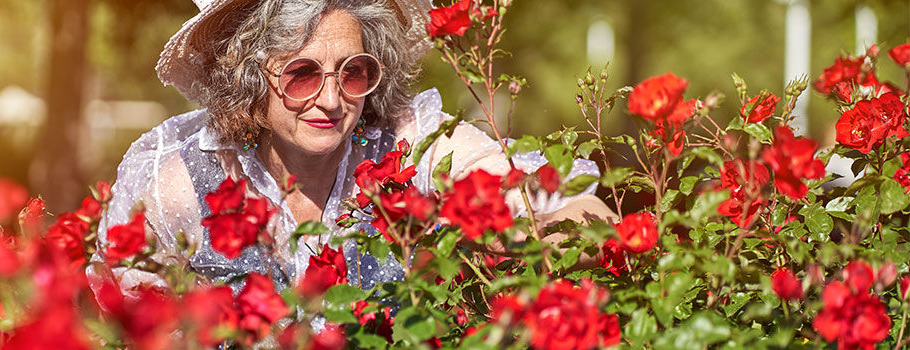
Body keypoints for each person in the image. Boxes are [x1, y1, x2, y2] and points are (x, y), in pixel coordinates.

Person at [91, 0, 617, 298]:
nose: (331, 99)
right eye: (301, 74)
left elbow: (582, 207)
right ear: (251, 78)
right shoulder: (181, 181)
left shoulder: (411, 142)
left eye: (353, 72)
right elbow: (121, 315)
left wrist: (538, 235)